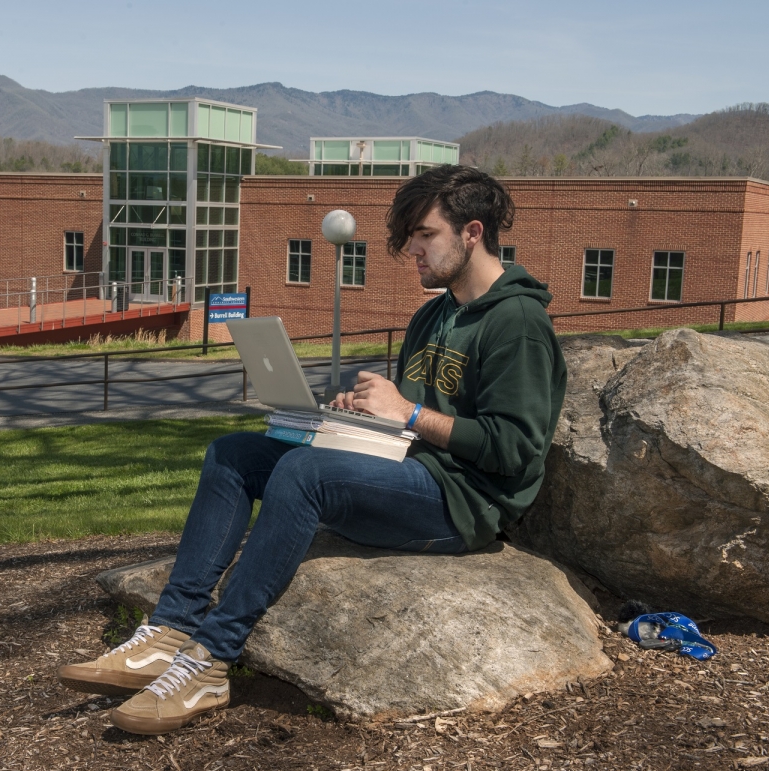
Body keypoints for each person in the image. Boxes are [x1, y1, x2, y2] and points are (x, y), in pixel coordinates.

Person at [58, 165, 567, 735]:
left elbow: (515, 450)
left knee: (305, 473)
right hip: (402, 466)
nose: (414, 251)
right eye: (411, 238)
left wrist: (410, 413)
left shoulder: (517, 322)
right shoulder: (434, 314)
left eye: (426, 235)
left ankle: (210, 660)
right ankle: (171, 630)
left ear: (472, 232)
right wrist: (361, 415)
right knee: (234, 454)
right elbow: (412, 418)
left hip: (462, 501)